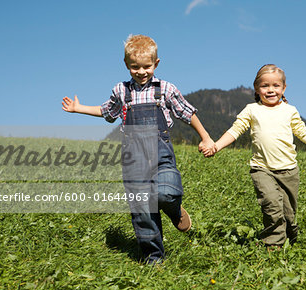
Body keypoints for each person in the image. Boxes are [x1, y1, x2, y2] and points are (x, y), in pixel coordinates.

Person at [62, 34, 215, 264]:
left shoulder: (165, 89)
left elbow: (187, 112)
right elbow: (107, 112)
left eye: (147, 66)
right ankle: (154, 259)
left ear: (156, 63)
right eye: (135, 67)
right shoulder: (121, 91)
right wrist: (78, 108)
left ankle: (174, 211)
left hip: (160, 152)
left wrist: (205, 137)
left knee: (167, 192)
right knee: (143, 209)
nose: (141, 71)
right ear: (126, 65)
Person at [200, 64, 306, 250]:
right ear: (256, 88)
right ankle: (273, 245)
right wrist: (216, 146)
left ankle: (290, 238)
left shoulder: (289, 110)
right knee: (271, 205)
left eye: (276, 86)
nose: (270, 90)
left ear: (284, 88)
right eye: (265, 86)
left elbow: (304, 134)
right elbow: (235, 130)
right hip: (262, 169)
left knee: (288, 215)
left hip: (289, 171)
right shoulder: (252, 110)